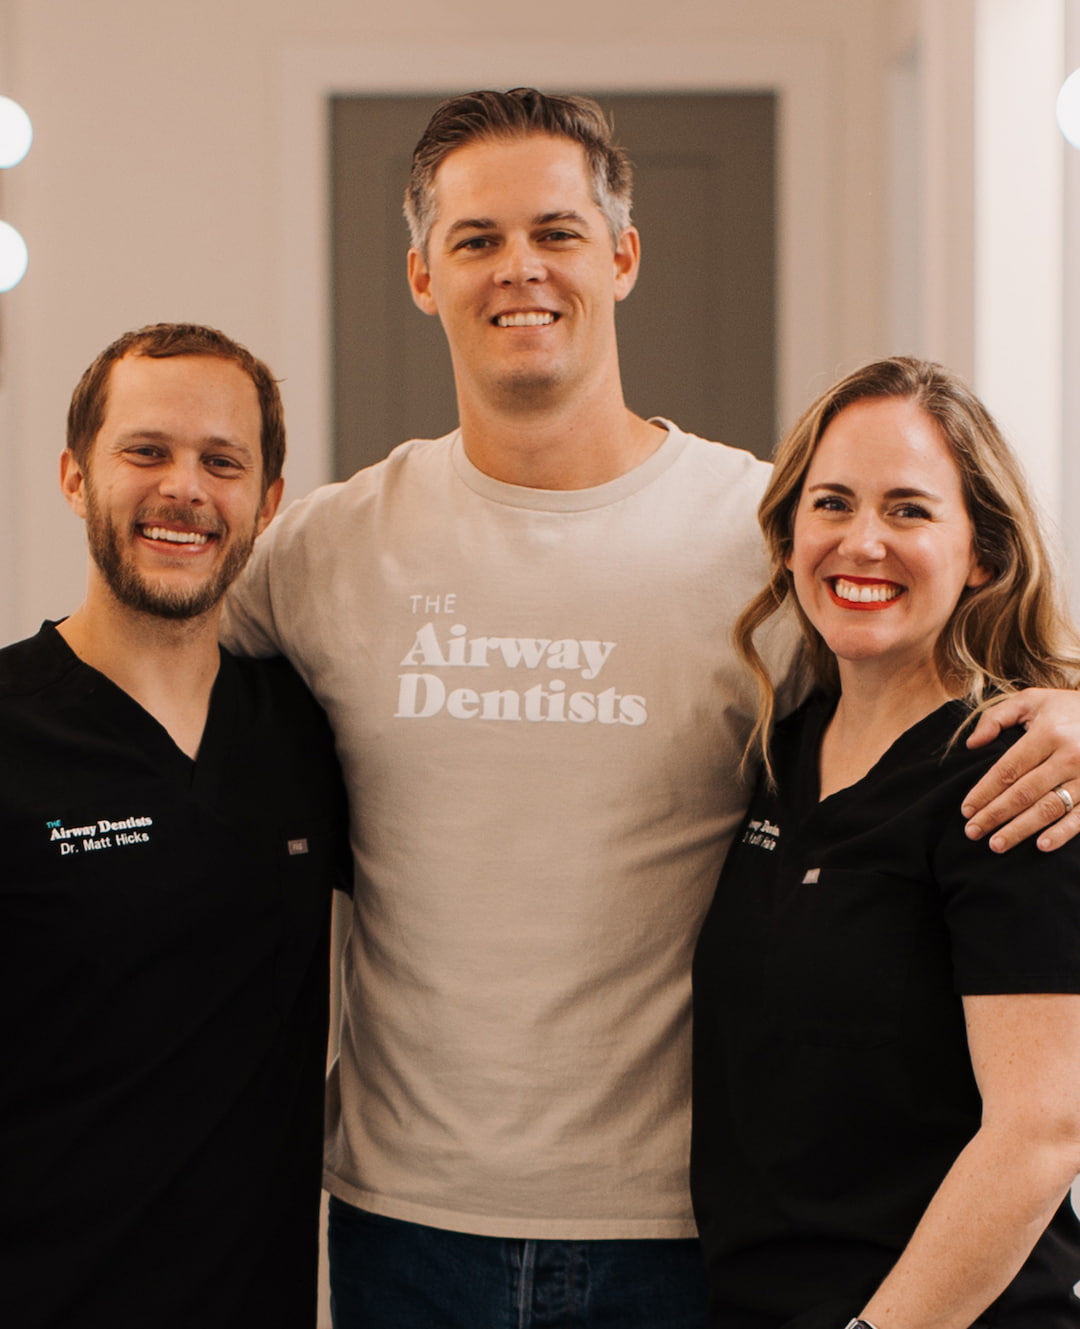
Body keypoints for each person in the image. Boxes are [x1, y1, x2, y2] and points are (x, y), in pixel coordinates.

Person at [223, 92, 1080, 1329]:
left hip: (685, 1230)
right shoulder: (325, 548)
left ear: (621, 255)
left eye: (559, 232)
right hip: (403, 1219)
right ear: (422, 275)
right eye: (476, 240)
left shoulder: (764, 539)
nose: (521, 267)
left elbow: (936, 649)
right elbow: (145, 676)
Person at [692, 356, 1080, 1329]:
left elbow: (1042, 1129)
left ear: (982, 554)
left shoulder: (1015, 777)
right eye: (832, 504)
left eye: (909, 510)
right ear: (787, 540)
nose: (862, 543)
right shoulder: (780, 748)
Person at [0, 323, 351, 1329]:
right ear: (76, 477)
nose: (184, 489)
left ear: (267, 503)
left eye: (221, 462)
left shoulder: (304, 733)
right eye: (146, 452)